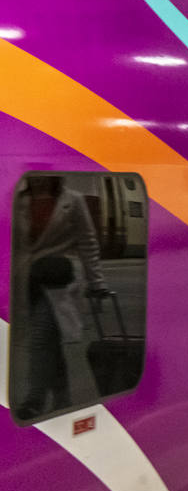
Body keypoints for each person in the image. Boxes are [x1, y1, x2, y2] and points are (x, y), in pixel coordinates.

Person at [11, 175, 109, 421]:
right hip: (27, 281)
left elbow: (87, 241)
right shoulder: (17, 199)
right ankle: (63, 399)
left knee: (40, 339)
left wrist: (96, 283)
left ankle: (35, 400)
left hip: (59, 281)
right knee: (51, 346)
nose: (40, 183)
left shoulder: (72, 201)